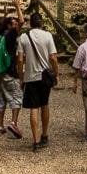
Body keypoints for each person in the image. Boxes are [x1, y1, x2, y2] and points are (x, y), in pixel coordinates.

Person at [16, 11, 59, 151]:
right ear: (41, 23)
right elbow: (53, 57)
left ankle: (35, 141)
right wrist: (56, 74)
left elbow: (20, 59)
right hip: (45, 76)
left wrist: (21, 78)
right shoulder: (47, 36)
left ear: (30, 23)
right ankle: (45, 135)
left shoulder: (23, 37)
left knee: (34, 108)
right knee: (45, 104)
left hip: (30, 77)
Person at [0, 0, 24, 138]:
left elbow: (3, 24)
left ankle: (0, 126)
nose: (17, 25)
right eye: (13, 23)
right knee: (16, 97)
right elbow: (22, 22)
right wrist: (17, 7)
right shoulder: (10, 35)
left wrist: (5, 16)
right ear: (10, 26)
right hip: (9, 72)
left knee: (1, 97)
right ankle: (13, 123)